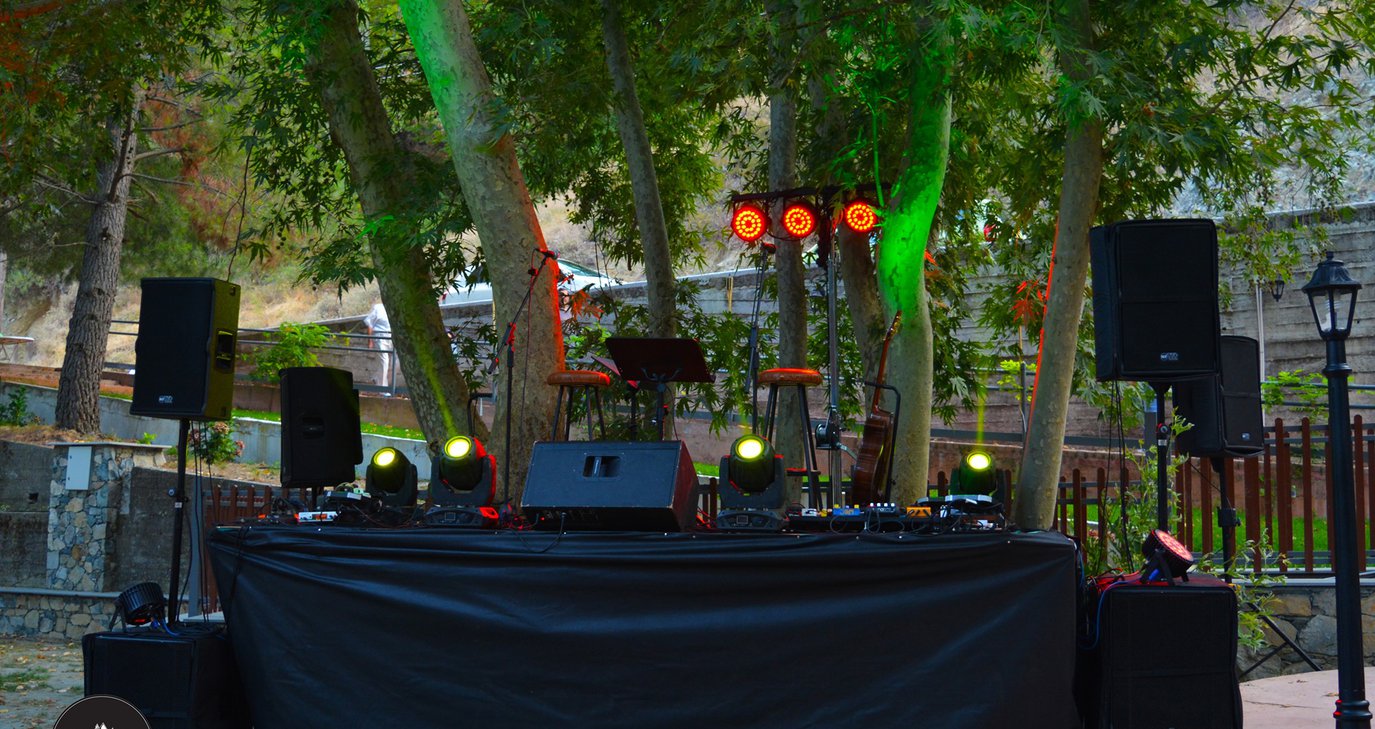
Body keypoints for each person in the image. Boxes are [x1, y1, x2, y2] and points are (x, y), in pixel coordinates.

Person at [363, 301, 393, 388]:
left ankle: (377, 378)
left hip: (391, 337)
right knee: (384, 362)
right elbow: (369, 324)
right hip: (380, 336)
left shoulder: (395, 308)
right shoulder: (378, 308)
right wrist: (370, 341)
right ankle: (383, 388)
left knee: (396, 363)